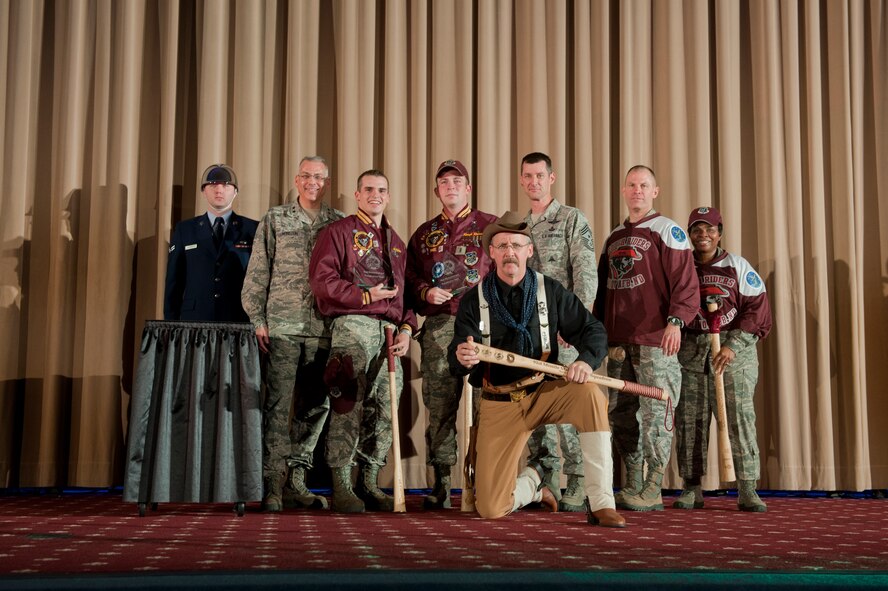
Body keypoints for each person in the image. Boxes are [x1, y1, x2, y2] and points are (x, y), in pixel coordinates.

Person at [448, 211, 625, 528]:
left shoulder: (550, 291)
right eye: (502, 246)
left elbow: (592, 331)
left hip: (546, 390)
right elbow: (457, 353)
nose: (509, 253)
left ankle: (601, 503)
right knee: (490, 508)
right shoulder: (473, 300)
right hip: (499, 401)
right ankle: (535, 484)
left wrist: (584, 361)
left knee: (591, 396)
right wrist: (462, 356)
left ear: (529, 250)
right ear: (492, 252)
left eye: (516, 245)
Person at [309, 169, 416, 513]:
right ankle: (341, 480)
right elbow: (322, 281)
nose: (375, 195)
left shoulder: (397, 244)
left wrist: (407, 329)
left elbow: (408, 296)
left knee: (386, 405)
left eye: (381, 190)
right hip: (353, 323)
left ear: (389, 196)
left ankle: (368, 479)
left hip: (390, 331)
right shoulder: (337, 233)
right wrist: (365, 296)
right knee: (347, 399)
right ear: (357, 195)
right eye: (368, 189)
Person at [593, 165, 699, 511]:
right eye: (631, 185)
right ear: (623, 191)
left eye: (643, 185)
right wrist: (597, 332)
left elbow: (685, 280)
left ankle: (653, 486)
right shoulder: (613, 237)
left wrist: (676, 321)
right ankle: (634, 480)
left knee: (657, 410)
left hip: (656, 338)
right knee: (621, 414)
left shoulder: (667, 230)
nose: (637, 190)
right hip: (618, 341)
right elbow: (602, 292)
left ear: (655, 191)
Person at [241, 156, 344, 513]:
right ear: (296, 180)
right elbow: (257, 272)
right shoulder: (275, 219)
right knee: (276, 407)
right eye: (306, 176)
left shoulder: (340, 224)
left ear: (327, 182)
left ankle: (298, 481)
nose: (312, 182)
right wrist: (257, 318)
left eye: (319, 176)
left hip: (323, 330)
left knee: (315, 407)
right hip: (282, 328)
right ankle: (273, 484)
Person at [406, 159, 497, 509]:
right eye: (444, 182)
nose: (451, 187)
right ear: (436, 191)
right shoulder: (424, 233)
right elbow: (408, 278)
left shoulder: (490, 226)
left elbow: (510, 271)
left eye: (457, 181)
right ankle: (442, 484)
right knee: (440, 406)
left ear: (468, 188)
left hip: (482, 327)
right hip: (441, 327)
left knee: (485, 408)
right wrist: (425, 291)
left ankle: (481, 481)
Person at [674, 207, 772, 512]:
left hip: (733, 355)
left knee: (739, 421)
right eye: (697, 230)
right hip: (691, 354)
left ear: (720, 232)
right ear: (690, 235)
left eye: (710, 230)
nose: (704, 236)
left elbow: (757, 309)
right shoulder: (681, 267)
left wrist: (733, 345)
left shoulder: (737, 265)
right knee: (690, 422)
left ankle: (747, 488)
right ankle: (692, 488)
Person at [519, 152, 598, 512]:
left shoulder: (571, 220)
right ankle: (545, 478)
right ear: (522, 181)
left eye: (540, 175)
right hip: (530, 336)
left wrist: (577, 325)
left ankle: (578, 481)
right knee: (536, 409)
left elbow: (585, 274)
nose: (534, 182)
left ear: (552, 178)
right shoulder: (518, 227)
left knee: (568, 408)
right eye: (528, 176)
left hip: (564, 332)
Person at [164, 163, 257, 322]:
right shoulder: (185, 229)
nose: (219, 190)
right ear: (203, 191)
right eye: (212, 184)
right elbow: (174, 281)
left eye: (226, 185)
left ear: (235, 192)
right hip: (194, 321)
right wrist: (171, 324)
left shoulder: (253, 229)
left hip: (238, 320)